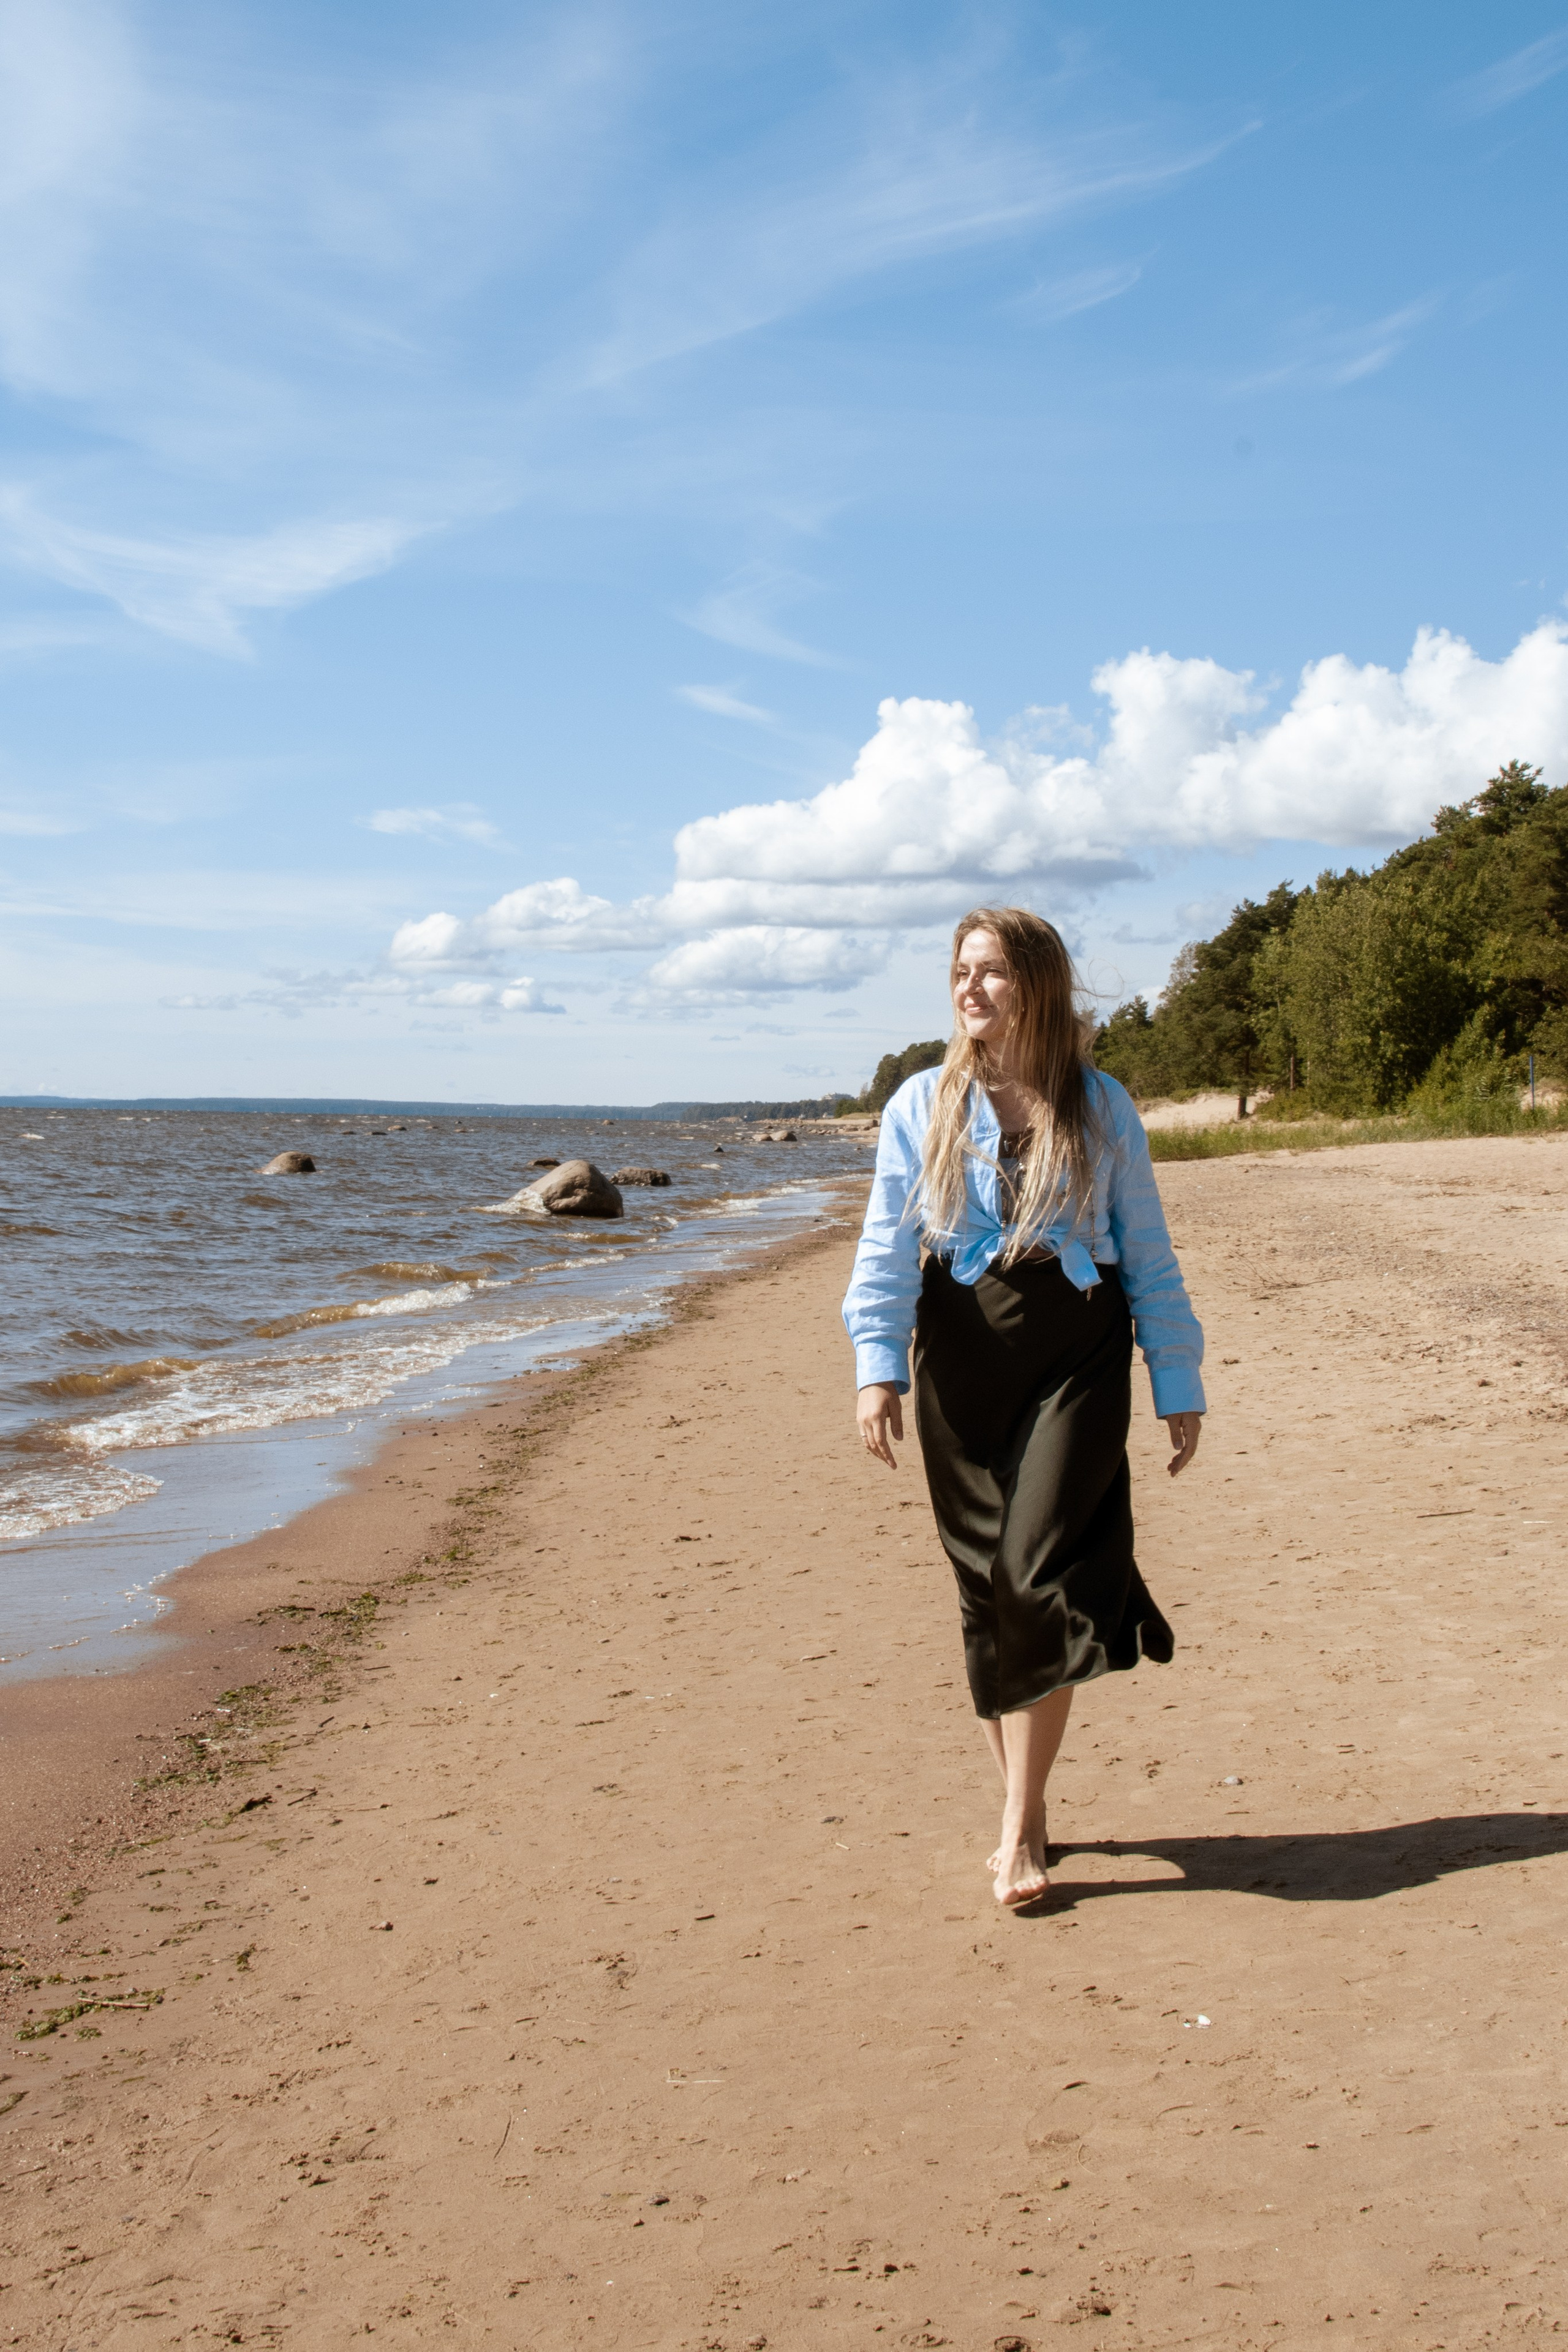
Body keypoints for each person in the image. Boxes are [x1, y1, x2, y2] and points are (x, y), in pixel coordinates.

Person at [842, 907, 1206, 1909]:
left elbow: (1150, 1250)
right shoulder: (923, 1103)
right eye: (961, 971)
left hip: (1075, 1344)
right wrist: (880, 1365)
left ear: (1036, 985)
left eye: (992, 972)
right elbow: (886, 1246)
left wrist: (1176, 1377)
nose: (970, 990)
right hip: (961, 1349)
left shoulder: (1101, 1106)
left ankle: (1015, 1833)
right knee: (986, 1594)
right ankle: (1030, 1808)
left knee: (1036, 1573)